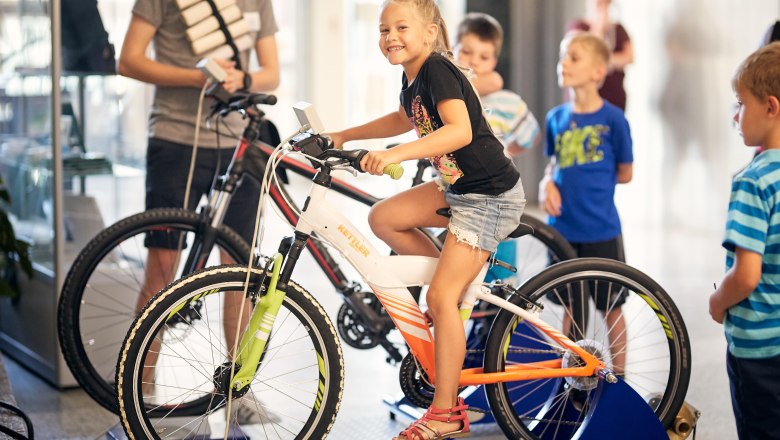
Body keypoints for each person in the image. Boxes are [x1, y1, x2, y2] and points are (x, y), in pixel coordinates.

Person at [328, 1, 524, 438]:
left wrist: (394, 155)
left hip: (488, 196)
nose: (390, 36)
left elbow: (460, 132)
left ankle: (445, 414)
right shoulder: (414, 77)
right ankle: (448, 284)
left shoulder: (438, 69)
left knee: (439, 299)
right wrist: (345, 135)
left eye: (401, 27)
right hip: (459, 188)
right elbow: (403, 118)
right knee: (385, 217)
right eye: (383, 30)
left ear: (431, 33)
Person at [117, 0, 280, 424]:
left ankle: (238, 393)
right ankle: (139, 389)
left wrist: (241, 79)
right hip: (175, 138)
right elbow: (129, 60)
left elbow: (271, 73)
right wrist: (197, 77)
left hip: (241, 144)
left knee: (240, 272)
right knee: (163, 265)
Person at [540, 32, 633, 373]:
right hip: (562, 230)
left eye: (574, 57)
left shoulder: (613, 120)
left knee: (611, 307)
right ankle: (572, 375)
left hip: (601, 229)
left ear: (598, 71)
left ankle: (620, 379)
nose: (563, 63)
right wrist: (547, 182)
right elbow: (554, 165)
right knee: (571, 310)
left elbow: (626, 172)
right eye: (562, 56)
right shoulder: (555, 118)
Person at [709, 42, 780, 440]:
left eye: (740, 103)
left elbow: (747, 275)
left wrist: (718, 301)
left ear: (770, 107)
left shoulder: (754, 181)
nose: (735, 116)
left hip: (759, 348)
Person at [453, 12, 540, 284]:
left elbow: (531, 135)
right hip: (458, 191)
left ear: (495, 60)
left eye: (484, 56)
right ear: (453, 50)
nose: (474, 61)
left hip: (496, 193)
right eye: (466, 51)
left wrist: (506, 151)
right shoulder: (451, 95)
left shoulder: (507, 102)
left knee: (501, 276)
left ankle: (501, 320)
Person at [567, 0, 633, 110]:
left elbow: (628, 58)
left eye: (604, 3)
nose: (601, 6)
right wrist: (600, 25)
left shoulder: (618, 29)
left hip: (615, 96)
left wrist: (602, 60)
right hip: (585, 100)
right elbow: (590, 51)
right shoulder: (579, 26)